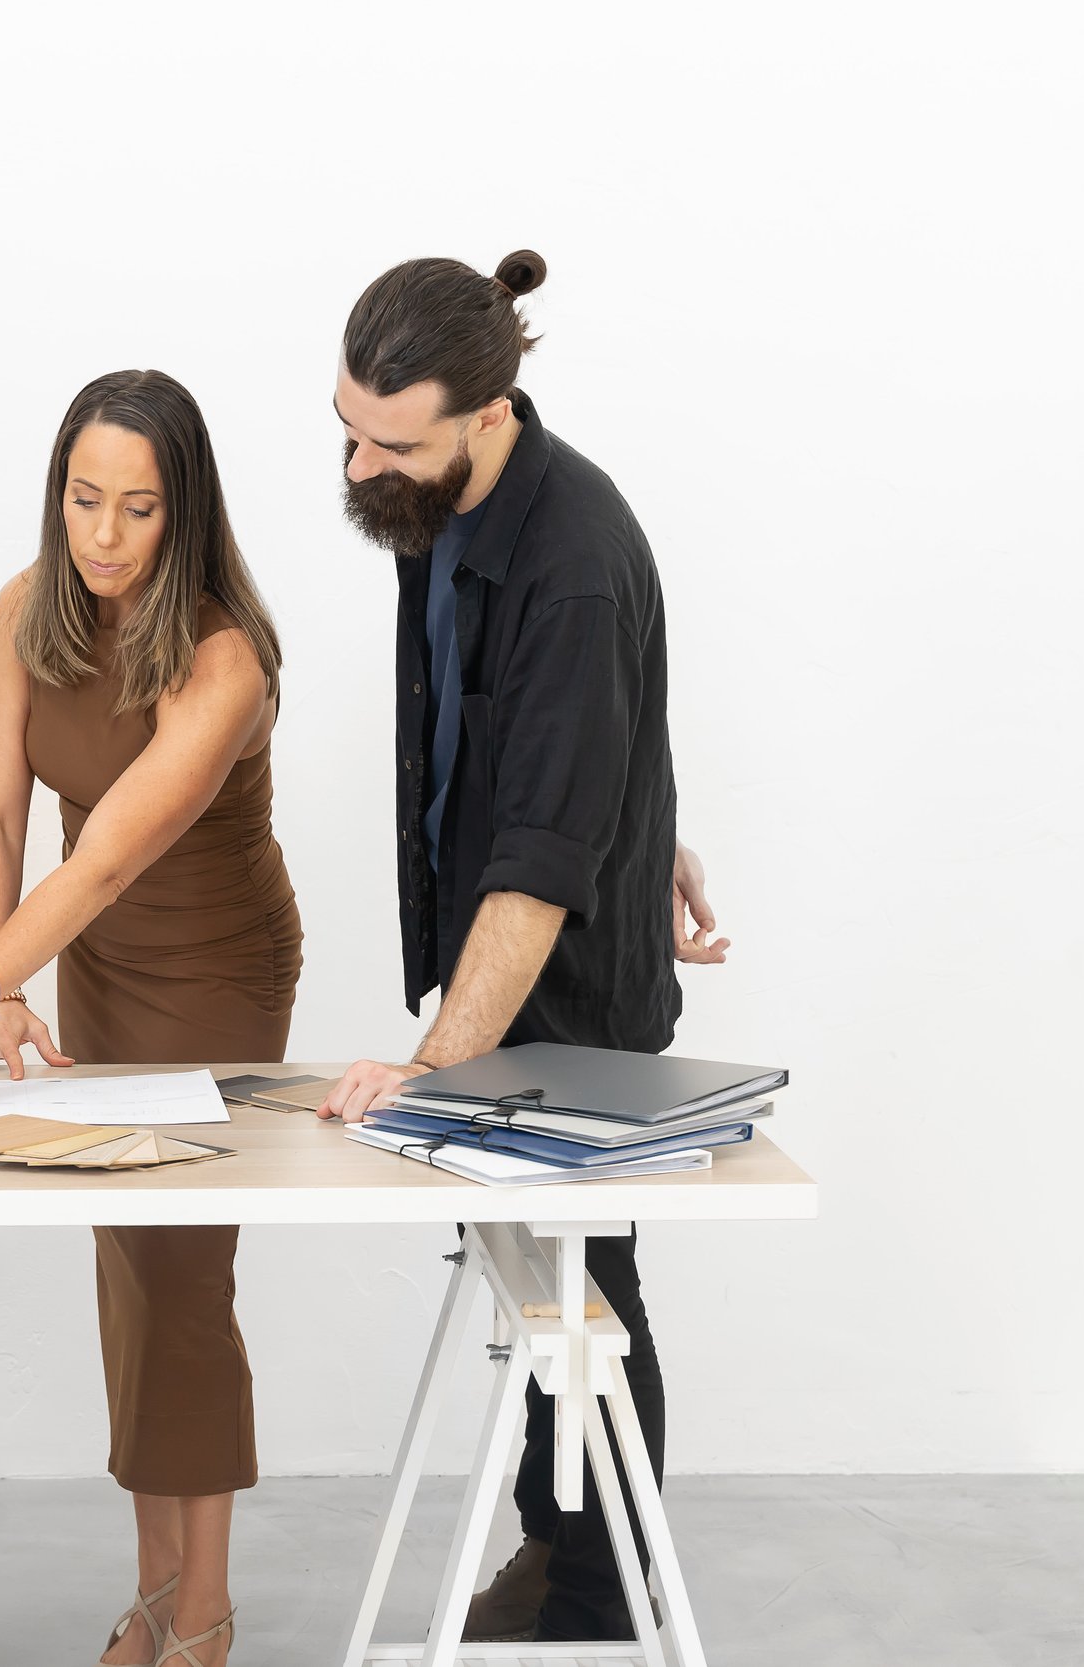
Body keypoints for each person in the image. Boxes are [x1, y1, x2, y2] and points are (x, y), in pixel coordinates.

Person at [317, 252, 731, 1646]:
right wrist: (654, 820)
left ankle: (606, 1589)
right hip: (488, 958)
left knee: (581, 1288)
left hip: (566, 996)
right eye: (349, 430)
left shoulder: (573, 563)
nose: (365, 466)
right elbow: (548, 742)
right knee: (527, 1281)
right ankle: (563, 1556)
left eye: (397, 442)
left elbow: (546, 866)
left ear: (492, 413)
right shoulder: (431, 506)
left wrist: (429, 1070)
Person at [0, 370, 299, 1667]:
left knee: (186, 1272)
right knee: (125, 1265)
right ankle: (155, 1586)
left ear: (186, 515)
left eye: (139, 510)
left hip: (218, 973)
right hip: (92, 963)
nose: (104, 537)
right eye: (83, 501)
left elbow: (109, 850)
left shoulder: (225, 657)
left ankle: (207, 1612)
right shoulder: (25, 608)